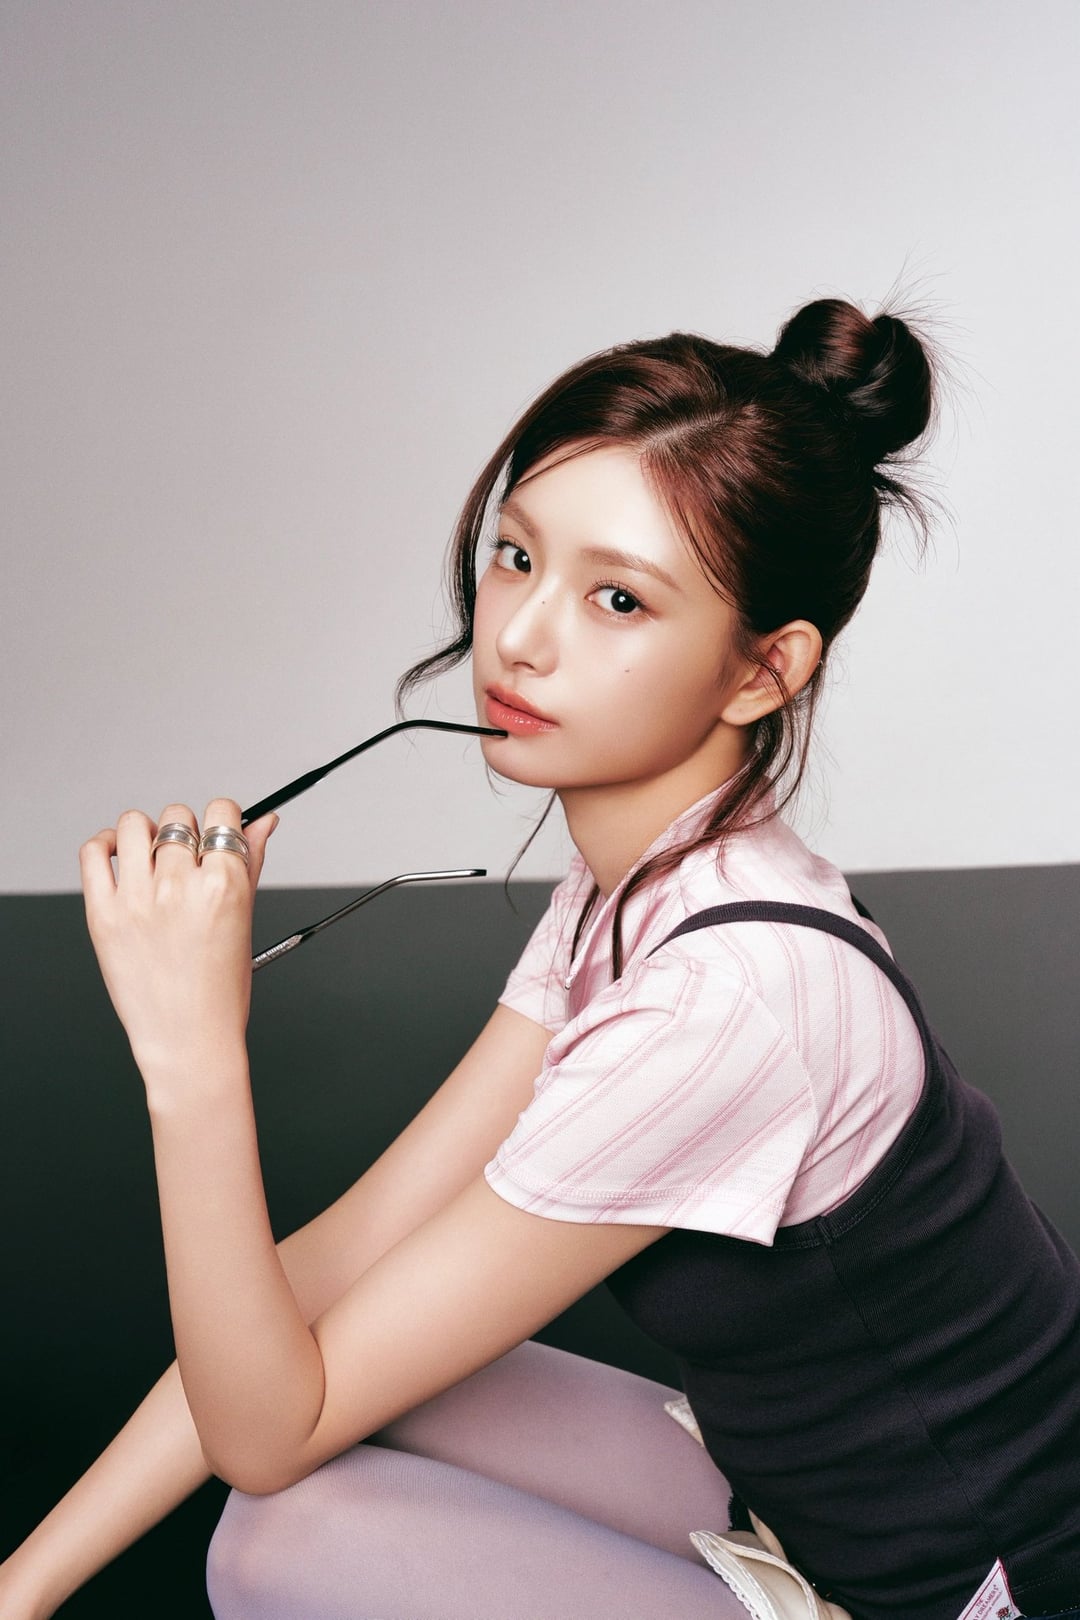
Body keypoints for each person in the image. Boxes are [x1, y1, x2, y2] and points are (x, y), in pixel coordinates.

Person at [2, 297, 1078, 1620]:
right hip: (799, 1497)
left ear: (764, 671)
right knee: (307, 1361)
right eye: (516, 556)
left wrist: (191, 1061)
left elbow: (267, 1438)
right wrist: (22, 1588)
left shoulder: (727, 998)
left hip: (966, 1595)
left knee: (279, 1538)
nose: (518, 635)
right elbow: (338, 1261)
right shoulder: (640, 893)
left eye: (617, 598)